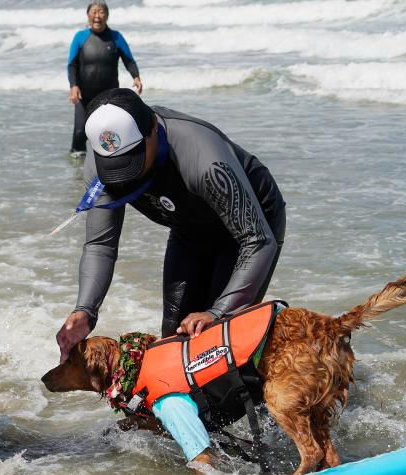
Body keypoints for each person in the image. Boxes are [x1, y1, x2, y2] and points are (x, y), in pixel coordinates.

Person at [55, 88, 286, 364]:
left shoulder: (205, 161)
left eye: (132, 160)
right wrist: (85, 311)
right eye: (113, 166)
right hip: (189, 230)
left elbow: (258, 241)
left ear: (152, 127)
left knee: (215, 342)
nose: (124, 176)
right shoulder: (100, 162)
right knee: (172, 344)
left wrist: (217, 312)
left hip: (249, 232)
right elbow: (101, 244)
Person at [66, 1, 141, 155]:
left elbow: (129, 60)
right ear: (88, 15)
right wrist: (73, 85)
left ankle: (108, 162)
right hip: (84, 97)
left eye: (101, 12)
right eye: (94, 12)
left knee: (109, 134)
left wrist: (136, 77)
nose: (97, 16)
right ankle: (77, 169)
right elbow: (71, 65)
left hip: (109, 97)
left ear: (107, 16)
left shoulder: (116, 37)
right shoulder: (80, 37)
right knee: (80, 132)